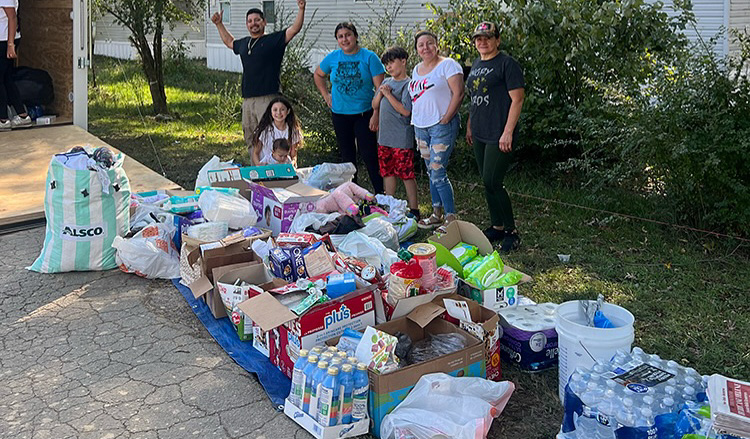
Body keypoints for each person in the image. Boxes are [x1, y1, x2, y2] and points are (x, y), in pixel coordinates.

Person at [211, 0, 306, 155]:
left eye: (257, 20)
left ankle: (274, 171)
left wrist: (301, 9)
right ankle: (256, 171)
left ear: (264, 22)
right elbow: (229, 42)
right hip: (248, 100)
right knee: (251, 138)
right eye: (250, 21)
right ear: (247, 24)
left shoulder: (273, 41)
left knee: (270, 137)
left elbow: (294, 29)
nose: (253, 23)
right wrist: (219, 24)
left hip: (267, 98)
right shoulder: (244, 44)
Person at [466, 22, 525, 252]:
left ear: (497, 40)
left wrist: (508, 131)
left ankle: (511, 231)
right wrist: (471, 124)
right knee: (486, 182)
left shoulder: (507, 64)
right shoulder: (477, 64)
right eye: (478, 38)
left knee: (493, 181)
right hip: (480, 131)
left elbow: (517, 99)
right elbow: (475, 97)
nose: (483, 42)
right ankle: (497, 226)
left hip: (499, 132)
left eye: (488, 37)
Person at [314, 22, 385, 194]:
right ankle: (352, 192)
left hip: (364, 114)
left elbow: (381, 90)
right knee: (347, 157)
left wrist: (376, 113)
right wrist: (326, 95)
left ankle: (380, 193)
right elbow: (318, 74)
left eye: (348, 35)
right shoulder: (333, 57)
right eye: (340, 36)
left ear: (355, 36)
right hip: (340, 114)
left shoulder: (369, 57)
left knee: (369, 155)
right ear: (337, 40)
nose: (344, 39)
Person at [408, 31, 464, 232]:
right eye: (421, 45)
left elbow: (459, 93)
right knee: (431, 172)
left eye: (429, 43)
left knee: (438, 171)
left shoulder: (448, 65)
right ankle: (436, 214)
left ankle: (450, 217)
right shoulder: (416, 69)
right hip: (421, 126)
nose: (425, 48)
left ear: (437, 45)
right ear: (417, 49)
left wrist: (447, 117)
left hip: (441, 125)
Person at [372, 46, 419, 219]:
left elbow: (406, 111)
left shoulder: (408, 84)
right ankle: (389, 204)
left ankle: (414, 209)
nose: (389, 67)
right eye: (386, 64)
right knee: (387, 172)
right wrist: (382, 93)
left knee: (406, 174)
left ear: (403, 61)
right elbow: (374, 105)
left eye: (392, 63)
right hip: (384, 138)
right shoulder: (386, 83)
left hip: (401, 138)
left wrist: (389, 95)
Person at [0, 0, 31, 131]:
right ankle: (22, 116)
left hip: (4, 41)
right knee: (6, 78)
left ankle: (3, 119)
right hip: (4, 40)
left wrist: (10, 45)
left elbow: (12, 17)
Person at [251, 96, 302, 166]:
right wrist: (259, 165)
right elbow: (255, 153)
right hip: (266, 168)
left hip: (285, 168)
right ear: (271, 111)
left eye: (282, 109)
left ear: (288, 111)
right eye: (275, 110)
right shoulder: (264, 130)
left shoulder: (293, 131)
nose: (278, 113)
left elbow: (294, 155)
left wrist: (292, 164)